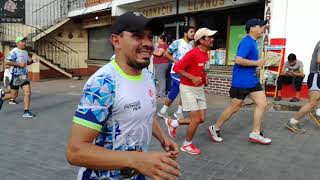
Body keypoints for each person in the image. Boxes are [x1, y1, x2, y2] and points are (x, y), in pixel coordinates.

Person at [65, 12, 180, 180]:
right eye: (137, 36)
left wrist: (163, 138)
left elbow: (143, 111)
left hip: (138, 172)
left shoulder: (147, 76)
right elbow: (75, 152)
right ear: (116, 41)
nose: (148, 43)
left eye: (150, 37)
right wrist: (137, 160)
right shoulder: (103, 84)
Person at [207, 18, 271, 145]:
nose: (263, 28)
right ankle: (215, 128)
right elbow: (238, 60)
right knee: (234, 108)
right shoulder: (246, 42)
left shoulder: (254, 42)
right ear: (252, 28)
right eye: (261, 26)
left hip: (252, 80)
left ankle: (255, 133)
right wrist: (256, 63)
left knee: (262, 103)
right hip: (241, 82)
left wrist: (257, 65)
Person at [170, 28, 216, 155]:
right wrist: (192, 77)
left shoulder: (206, 53)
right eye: (209, 37)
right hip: (187, 88)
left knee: (201, 119)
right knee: (195, 119)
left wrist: (204, 79)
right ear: (201, 40)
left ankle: (173, 123)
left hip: (199, 88)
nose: (212, 39)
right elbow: (177, 67)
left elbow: (203, 70)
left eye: (212, 37)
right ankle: (187, 145)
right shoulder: (193, 53)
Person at [158, 26, 195, 120]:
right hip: (176, 72)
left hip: (184, 73)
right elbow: (166, 53)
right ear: (185, 33)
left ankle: (163, 111)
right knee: (185, 90)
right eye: (191, 32)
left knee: (174, 92)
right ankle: (179, 112)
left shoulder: (191, 46)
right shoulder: (177, 42)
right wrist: (175, 61)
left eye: (194, 32)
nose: (193, 34)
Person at [286, 40, 320, 133]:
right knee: (312, 103)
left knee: (316, 102)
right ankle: (292, 122)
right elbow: (319, 60)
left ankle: (317, 113)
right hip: (316, 76)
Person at [0, 37, 35, 117]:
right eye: (22, 41)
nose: (24, 43)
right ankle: (2, 98)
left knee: (28, 92)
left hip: (24, 76)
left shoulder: (25, 52)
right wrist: (18, 64)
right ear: (17, 43)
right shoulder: (14, 51)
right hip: (16, 76)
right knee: (13, 95)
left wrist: (32, 61)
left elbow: (26, 63)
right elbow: (7, 62)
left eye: (24, 41)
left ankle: (26, 112)